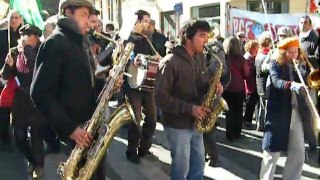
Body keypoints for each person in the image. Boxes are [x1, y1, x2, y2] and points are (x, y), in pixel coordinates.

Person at [30, 1, 121, 179]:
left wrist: (109, 85)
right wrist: (71, 129)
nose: (89, 22)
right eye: (84, 15)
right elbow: (40, 93)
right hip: (77, 132)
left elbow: (87, 84)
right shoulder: (55, 43)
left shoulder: (81, 43)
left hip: (90, 127)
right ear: (67, 13)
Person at [155, 19, 223, 180]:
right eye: (202, 35)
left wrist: (213, 87)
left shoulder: (199, 57)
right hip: (178, 124)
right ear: (188, 37)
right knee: (181, 169)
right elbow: (160, 97)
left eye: (207, 35)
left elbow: (202, 81)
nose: (206, 40)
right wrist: (190, 109)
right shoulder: (170, 62)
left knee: (198, 166)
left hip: (196, 122)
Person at [259, 37, 317, 180]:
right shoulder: (275, 64)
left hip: (296, 113)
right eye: (290, 52)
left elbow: (310, 82)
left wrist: (304, 68)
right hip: (279, 114)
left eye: (296, 52)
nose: (293, 55)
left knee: (298, 152)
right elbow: (277, 82)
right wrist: (292, 85)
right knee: (272, 152)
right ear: (283, 53)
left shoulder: (299, 65)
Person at [2, 24, 45, 179]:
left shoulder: (41, 50)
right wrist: (9, 65)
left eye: (29, 37)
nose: (24, 40)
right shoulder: (15, 52)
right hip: (20, 100)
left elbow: (33, 66)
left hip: (36, 99)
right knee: (18, 134)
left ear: (36, 38)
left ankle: (38, 166)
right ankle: (32, 160)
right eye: (23, 37)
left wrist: (26, 49)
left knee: (36, 135)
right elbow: (5, 76)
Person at [124, 10, 161, 164]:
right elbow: (125, 58)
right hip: (133, 86)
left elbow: (154, 57)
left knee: (152, 120)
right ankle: (131, 150)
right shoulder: (129, 39)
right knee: (136, 120)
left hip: (148, 85)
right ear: (137, 22)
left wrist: (158, 58)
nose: (147, 24)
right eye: (144, 21)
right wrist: (133, 60)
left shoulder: (148, 39)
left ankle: (144, 148)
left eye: (148, 20)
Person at [203, 27, 230, 166]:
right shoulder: (210, 48)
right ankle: (207, 155)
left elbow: (221, 68)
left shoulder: (215, 50)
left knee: (208, 127)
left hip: (210, 90)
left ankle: (212, 156)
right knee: (204, 127)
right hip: (205, 89)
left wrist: (206, 74)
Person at [0, 10, 23, 149]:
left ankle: (20, 138)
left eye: (16, 18)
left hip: (20, 77)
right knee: (3, 109)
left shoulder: (24, 36)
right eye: (11, 18)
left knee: (19, 110)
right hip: (3, 76)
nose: (14, 20)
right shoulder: (2, 35)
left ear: (21, 20)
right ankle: (5, 138)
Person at [222, 36, 249, 141]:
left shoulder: (224, 57)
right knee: (238, 111)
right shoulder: (241, 59)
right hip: (238, 87)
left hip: (226, 87)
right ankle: (237, 133)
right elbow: (246, 73)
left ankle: (229, 134)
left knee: (229, 112)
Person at [255, 32, 272, 131]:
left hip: (259, 83)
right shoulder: (264, 55)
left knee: (261, 106)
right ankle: (264, 126)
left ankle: (259, 124)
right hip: (264, 83)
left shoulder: (259, 54)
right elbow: (264, 70)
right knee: (265, 107)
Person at [243, 40, 259, 127]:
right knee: (250, 103)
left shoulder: (251, 57)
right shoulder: (247, 58)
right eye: (256, 48)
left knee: (252, 103)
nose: (257, 50)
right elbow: (248, 73)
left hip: (252, 84)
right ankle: (247, 120)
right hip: (250, 85)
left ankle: (248, 118)